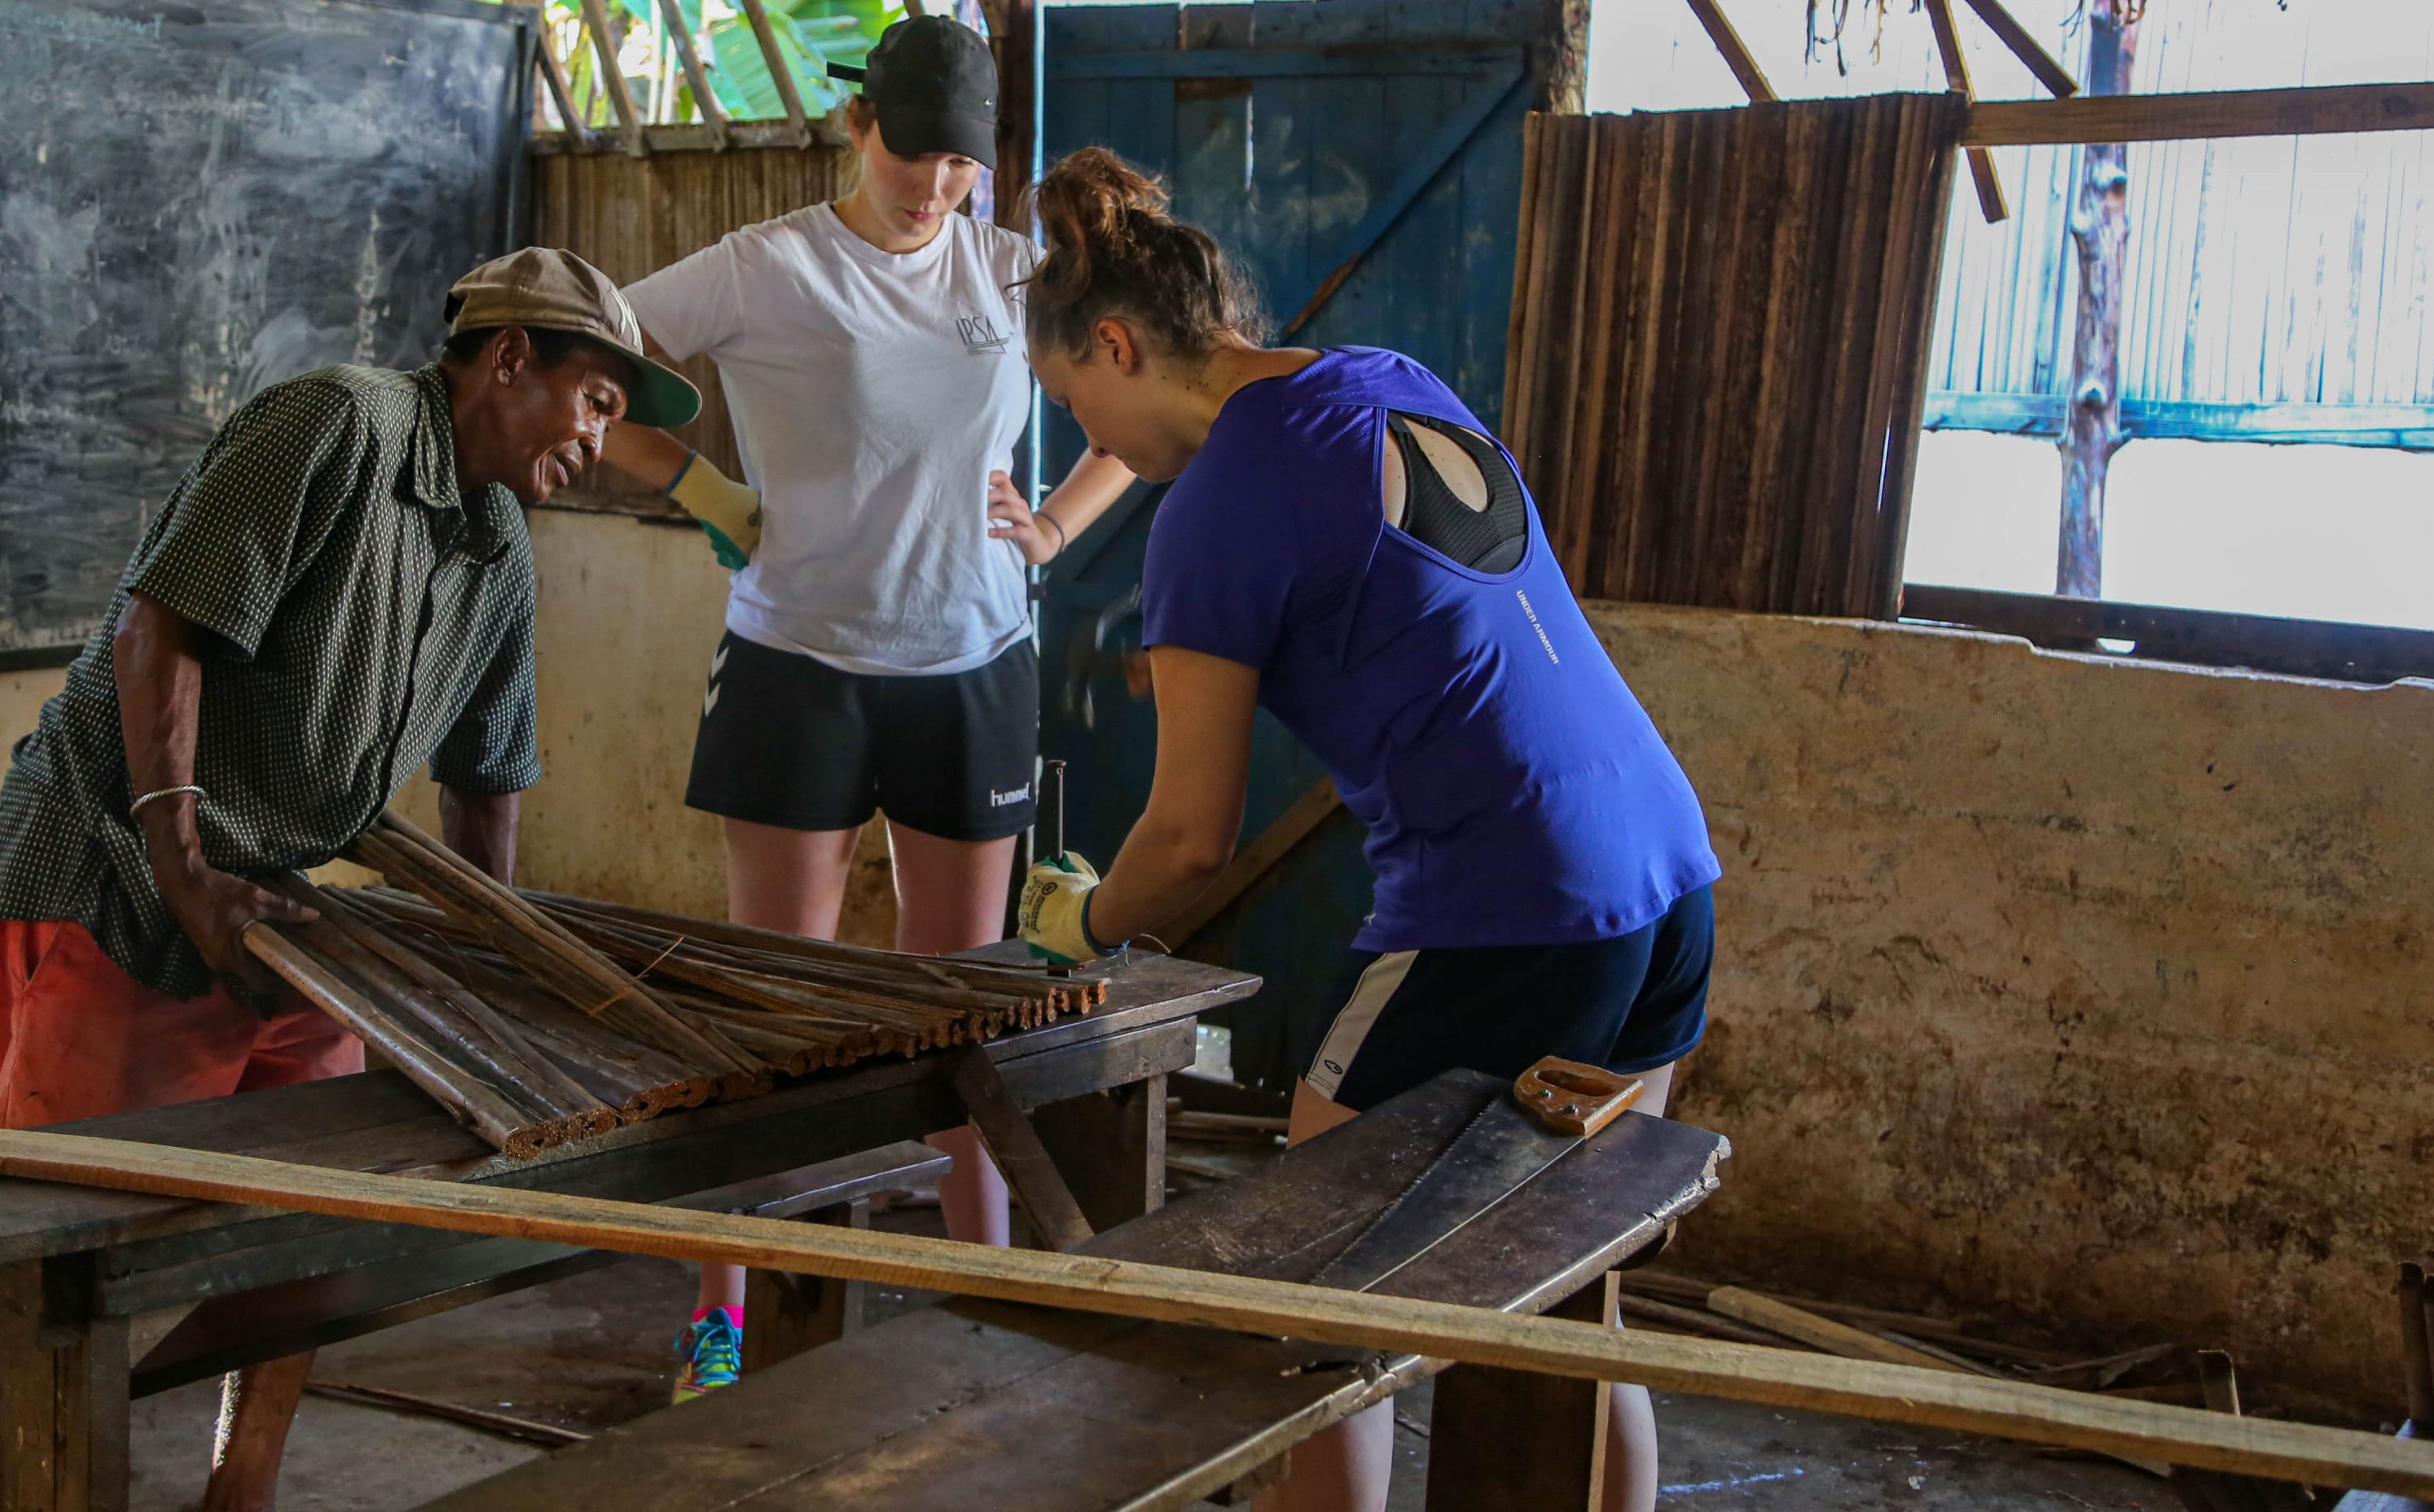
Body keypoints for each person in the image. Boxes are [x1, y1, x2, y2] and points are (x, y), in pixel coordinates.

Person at [1008, 149, 1720, 1512]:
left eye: (1074, 403)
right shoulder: (1388, 377)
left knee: (1313, 1315)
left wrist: (1078, 921)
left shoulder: (1209, 508)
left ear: (1114, 343)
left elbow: (1190, 842)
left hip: (1504, 903)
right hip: (1667, 873)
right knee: (1574, 1291)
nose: (1090, 441)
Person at [0, 247, 697, 1510]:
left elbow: (487, 782)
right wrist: (183, 869)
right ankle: (19, 1482)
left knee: (314, 1239)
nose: (598, 440)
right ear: (511, 357)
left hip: (282, 920)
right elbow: (162, 627)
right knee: (68, 1258)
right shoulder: (337, 423)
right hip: (119, 886)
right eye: (596, 402)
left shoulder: (500, 544)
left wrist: (475, 994)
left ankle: (235, 1494)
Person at [596, 15, 1140, 1402]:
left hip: (970, 666)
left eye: (963, 164)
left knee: (962, 1019)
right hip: (798, 665)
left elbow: (1155, 390)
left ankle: (986, 1303)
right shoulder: (767, 266)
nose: (936, 187)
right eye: (913, 156)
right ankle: (722, 1327)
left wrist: (1059, 523)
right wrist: (705, 489)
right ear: (858, 130)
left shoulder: (1015, 271)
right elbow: (581, 354)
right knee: (775, 1017)